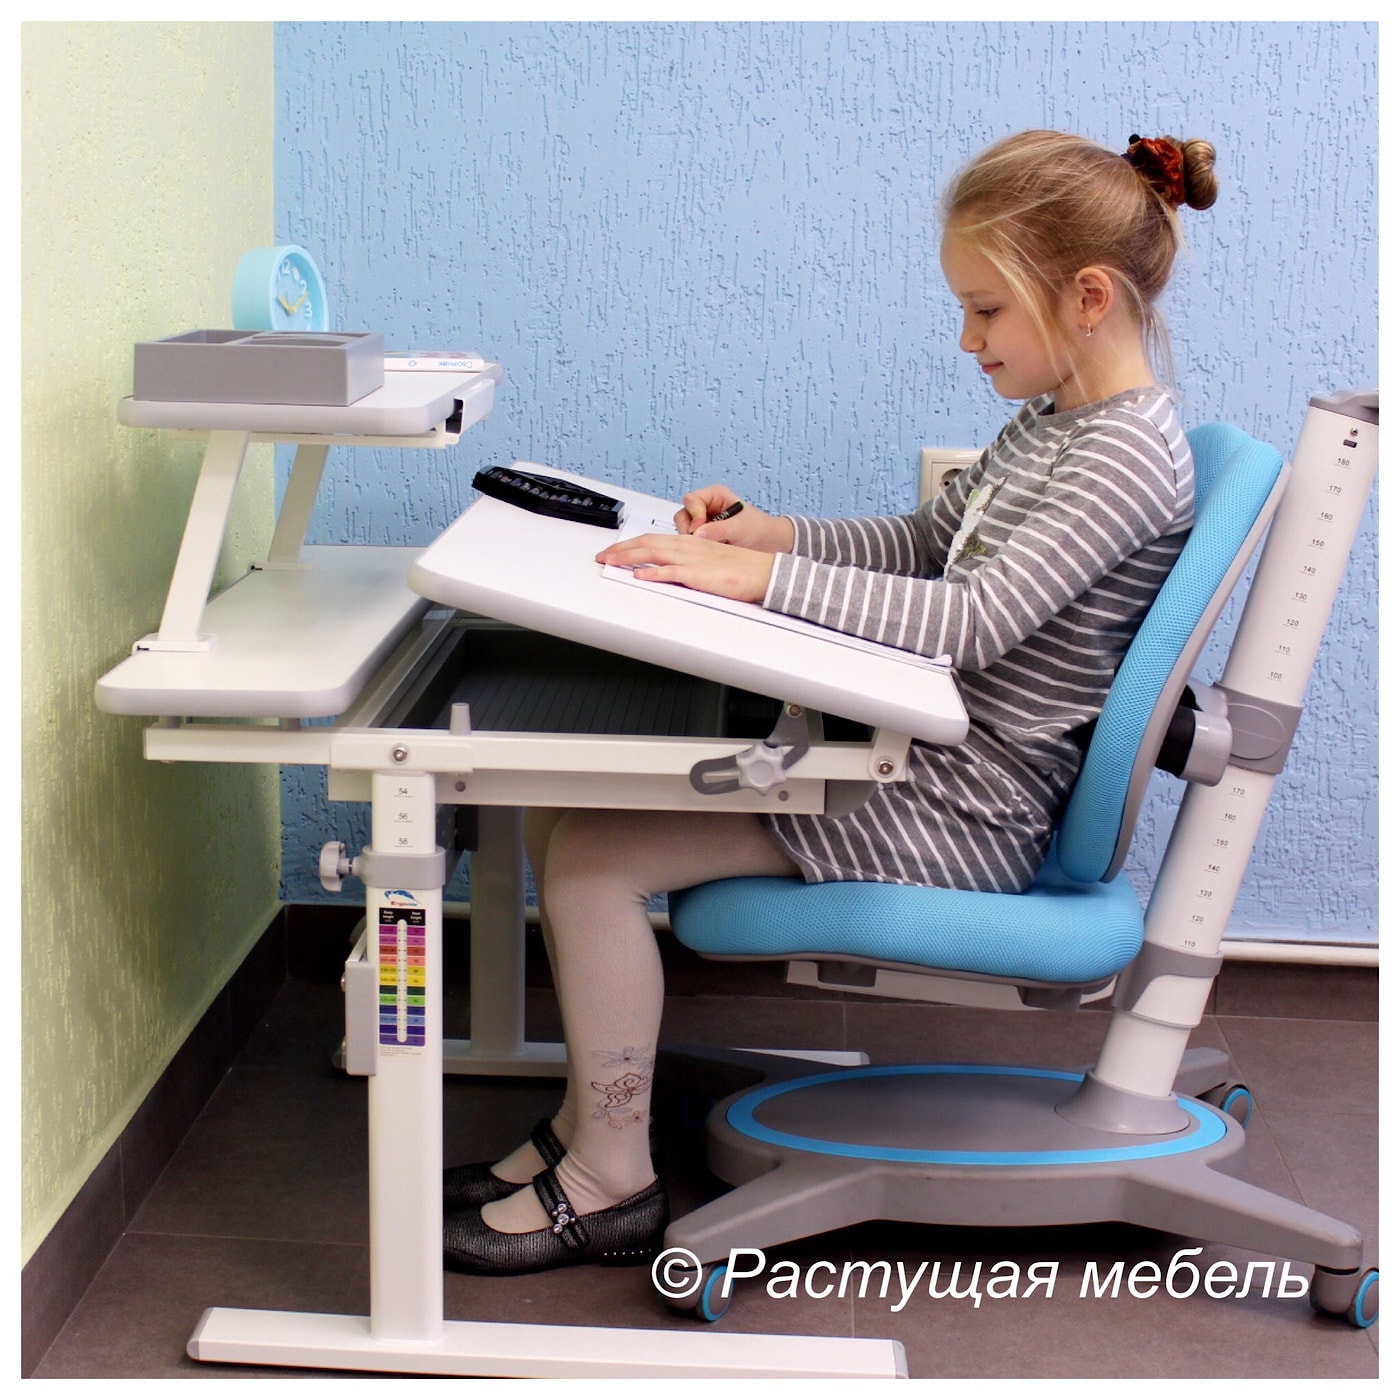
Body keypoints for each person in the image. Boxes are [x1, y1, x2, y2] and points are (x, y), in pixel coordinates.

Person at [442, 129, 1219, 1274]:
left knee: (593, 858)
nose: (966, 339)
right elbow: (924, 542)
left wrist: (756, 582)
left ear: (1087, 297)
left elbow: (970, 618)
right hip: (929, 767)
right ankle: (583, 1124)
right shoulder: (1056, 421)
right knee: (567, 816)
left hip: (967, 809)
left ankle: (610, 1183)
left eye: (985, 310)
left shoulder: (1123, 456)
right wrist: (773, 535)